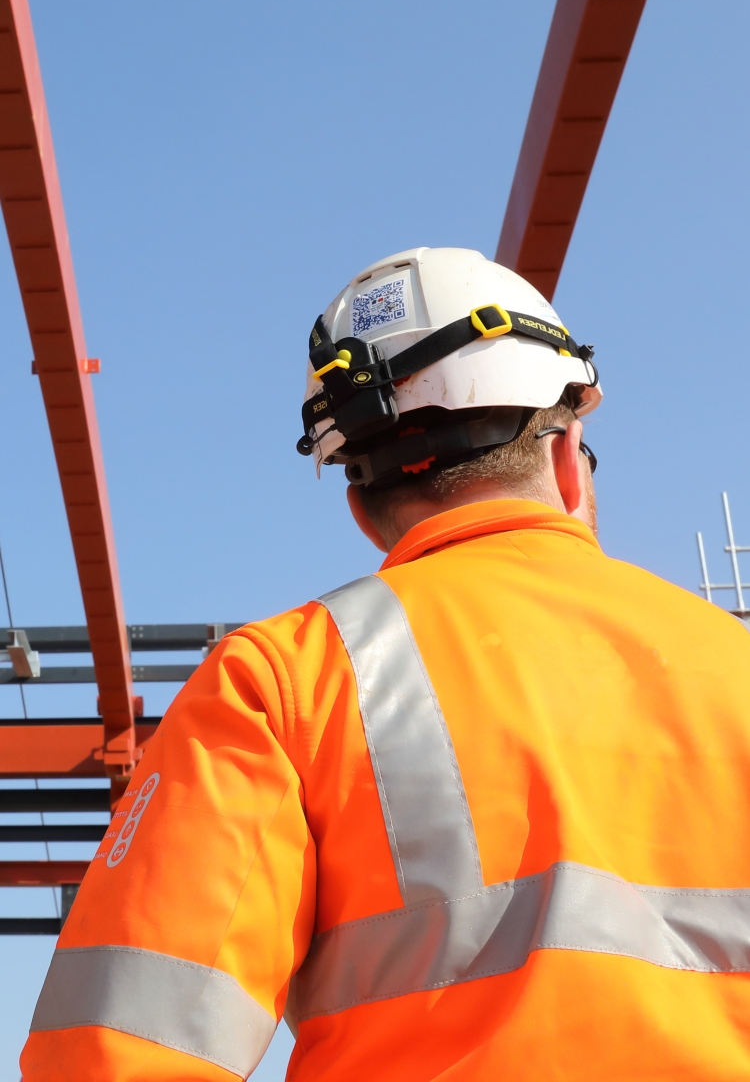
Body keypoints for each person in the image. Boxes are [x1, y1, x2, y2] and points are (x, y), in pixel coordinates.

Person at [21, 246, 750, 1081]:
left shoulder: (285, 677)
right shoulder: (737, 665)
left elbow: (119, 1052)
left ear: (365, 514)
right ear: (565, 458)